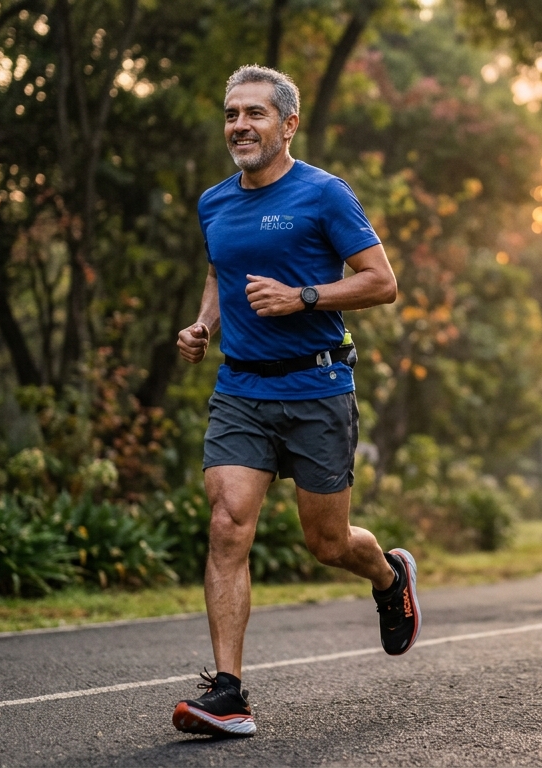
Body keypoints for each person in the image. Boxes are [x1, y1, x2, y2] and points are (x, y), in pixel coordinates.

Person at [172, 65, 418, 737]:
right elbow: (220, 269)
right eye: (231, 114)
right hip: (241, 388)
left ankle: (390, 576)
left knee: (327, 542)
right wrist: (205, 325)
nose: (239, 126)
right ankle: (228, 693)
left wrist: (302, 297)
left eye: (254, 114)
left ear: (287, 124)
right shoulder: (215, 202)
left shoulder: (324, 195)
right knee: (227, 523)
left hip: (316, 385)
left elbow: (381, 282)